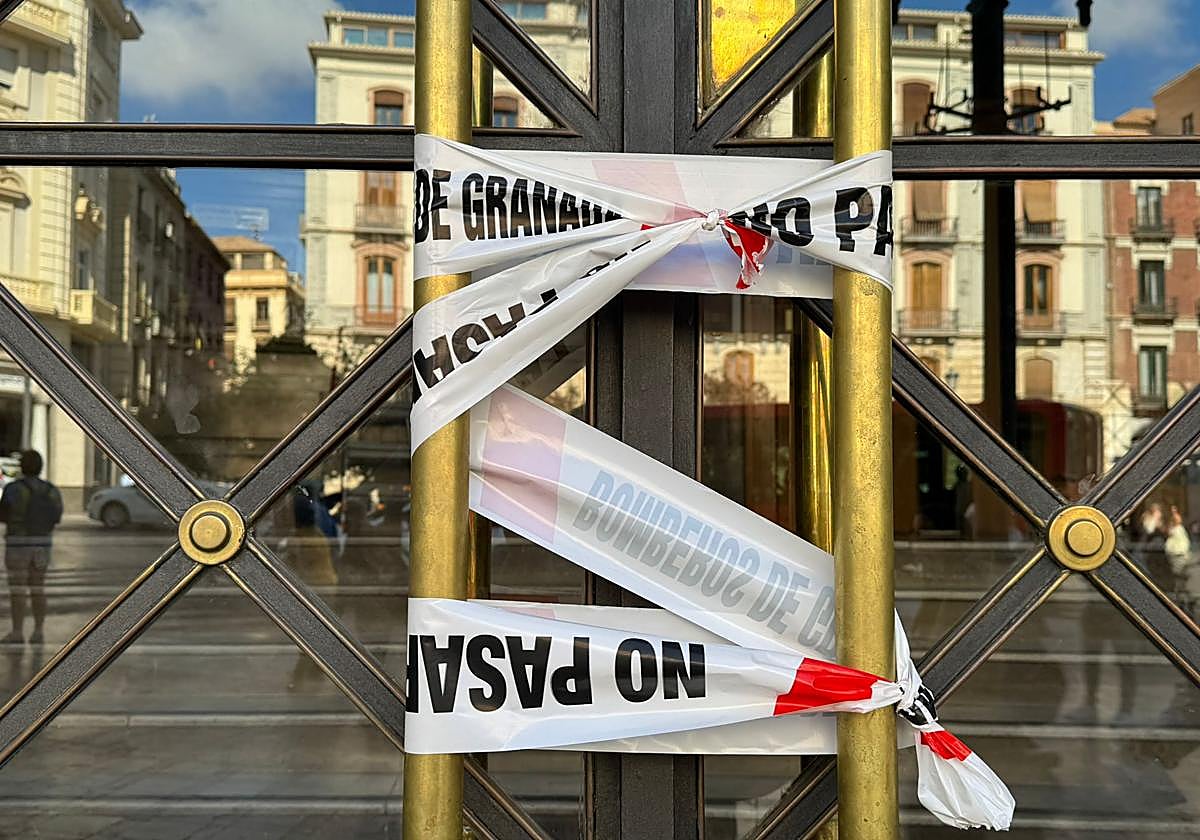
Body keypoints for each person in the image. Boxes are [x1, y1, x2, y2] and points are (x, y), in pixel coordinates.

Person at [0, 451, 63, 645]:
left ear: (22, 467)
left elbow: (2, 515)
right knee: (38, 588)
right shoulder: (51, 490)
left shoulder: (13, 489)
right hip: (42, 546)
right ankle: (38, 631)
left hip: (18, 545)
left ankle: (17, 632)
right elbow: (57, 517)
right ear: (41, 467)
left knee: (18, 589)